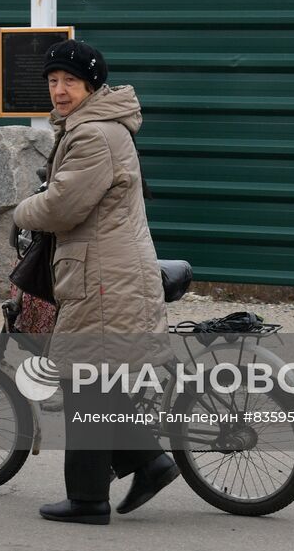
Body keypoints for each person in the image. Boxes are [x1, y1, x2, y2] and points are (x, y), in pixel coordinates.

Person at [13, 39, 180, 525]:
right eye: (53, 81)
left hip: (103, 276)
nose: (60, 91)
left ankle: (88, 500)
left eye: (70, 82)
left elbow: (64, 205)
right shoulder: (92, 127)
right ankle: (149, 463)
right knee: (98, 382)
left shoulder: (94, 135)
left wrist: (21, 212)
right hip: (103, 270)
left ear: (92, 85)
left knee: (84, 382)